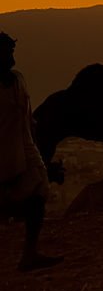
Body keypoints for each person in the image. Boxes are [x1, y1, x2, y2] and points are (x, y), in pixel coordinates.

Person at [0, 32, 63, 271]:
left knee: (37, 194)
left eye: (11, 51)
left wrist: (40, 154)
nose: (10, 57)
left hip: (25, 148)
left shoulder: (19, 80)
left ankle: (29, 253)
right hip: (4, 151)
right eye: (6, 53)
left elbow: (27, 119)